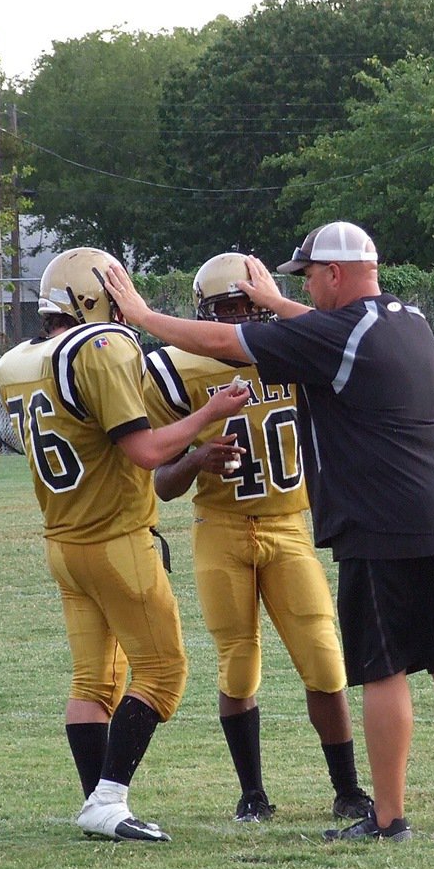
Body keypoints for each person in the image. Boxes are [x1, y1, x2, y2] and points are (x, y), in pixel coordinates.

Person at [104, 222, 434, 842]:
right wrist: (275, 302)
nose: (307, 287)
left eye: (311, 275)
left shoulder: (338, 332)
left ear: (337, 274)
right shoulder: (410, 319)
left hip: (384, 520)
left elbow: (222, 338)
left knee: (383, 669)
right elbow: (331, 330)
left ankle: (387, 816)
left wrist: (139, 313)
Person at [0, 247, 249, 842]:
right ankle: (109, 799)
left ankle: (96, 805)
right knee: (163, 673)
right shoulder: (101, 346)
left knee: (92, 682)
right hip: (116, 540)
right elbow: (145, 452)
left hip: (64, 542)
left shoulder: (18, 361)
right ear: (95, 297)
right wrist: (210, 411)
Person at [140, 252, 373, 825]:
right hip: (219, 529)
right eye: (226, 310)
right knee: (237, 666)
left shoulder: (295, 354)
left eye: (248, 307)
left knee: (324, 662)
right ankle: (252, 794)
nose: (238, 321)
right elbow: (162, 483)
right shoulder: (176, 369)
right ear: (204, 313)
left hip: (288, 524)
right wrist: (197, 459)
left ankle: (347, 788)